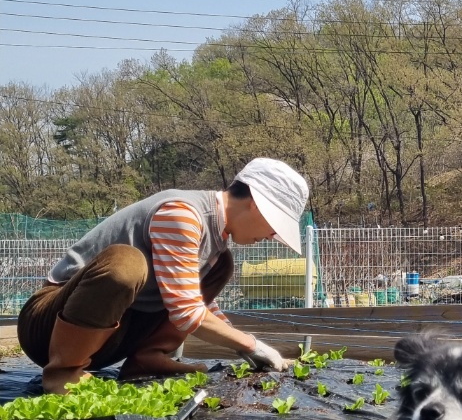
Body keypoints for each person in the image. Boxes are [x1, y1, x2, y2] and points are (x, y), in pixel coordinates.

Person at [18, 158, 309, 391]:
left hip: (113, 338)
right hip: (49, 330)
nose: (271, 236)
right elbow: (187, 312)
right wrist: (251, 344)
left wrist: (246, 346)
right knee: (126, 264)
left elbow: (197, 303)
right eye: (274, 226)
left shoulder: (216, 246)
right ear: (256, 204)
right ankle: (63, 373)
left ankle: (146, 360)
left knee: (223, 265)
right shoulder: (182, 214)